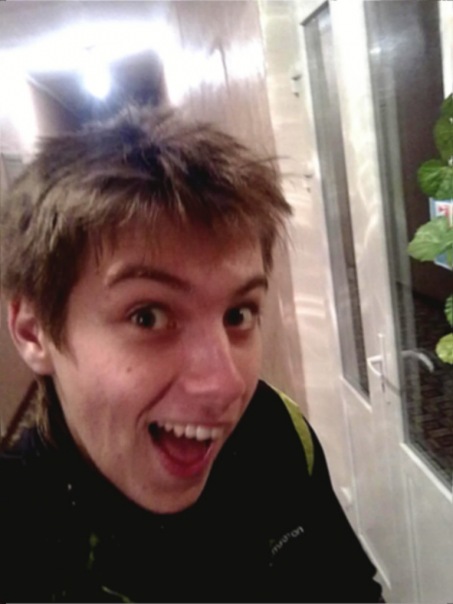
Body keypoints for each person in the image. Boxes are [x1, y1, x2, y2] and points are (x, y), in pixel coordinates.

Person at [0, 106, 382, 603]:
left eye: (238, 314)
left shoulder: (274, 432)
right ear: (32, 332)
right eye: (148, 316)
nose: (227, 387)